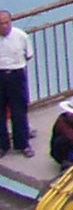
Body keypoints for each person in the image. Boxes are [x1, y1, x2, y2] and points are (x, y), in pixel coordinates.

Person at [0, 9, 31, 157]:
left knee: (19, 111)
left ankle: (23, 144)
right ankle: (2, 145)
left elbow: (28, 55)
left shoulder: (20, 36)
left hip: (16, 73)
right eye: (1, 24)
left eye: (6, 23)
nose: (4, 26)